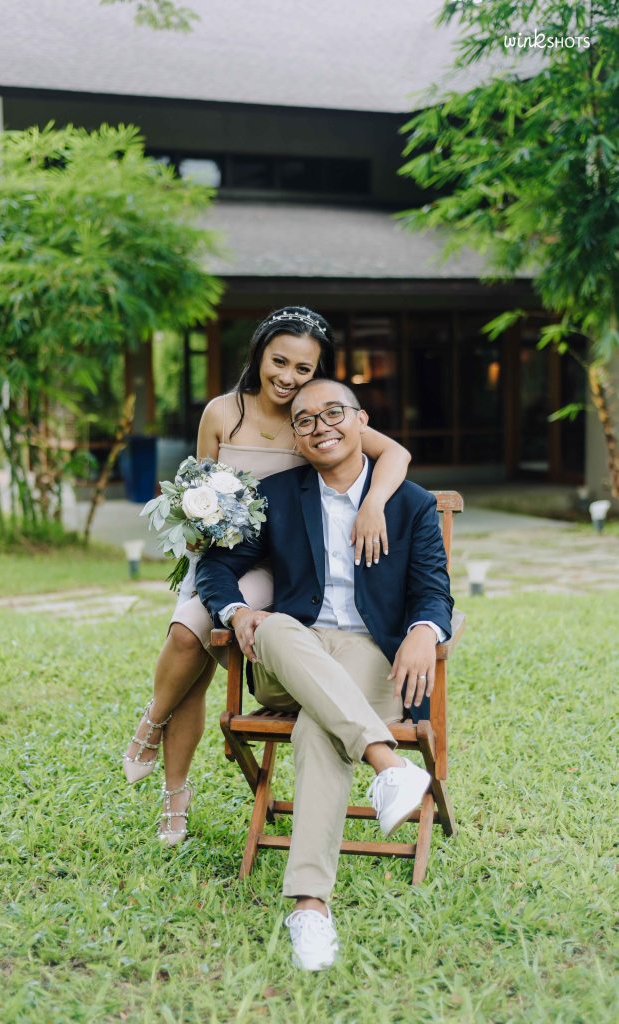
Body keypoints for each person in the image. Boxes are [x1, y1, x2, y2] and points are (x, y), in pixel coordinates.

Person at [122, 307, 412, 846]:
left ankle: (153, 734)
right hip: (221, 559)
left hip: (279, 569)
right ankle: (169, 776)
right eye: (279, 362)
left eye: (304, 369)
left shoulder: (313, 420)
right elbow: (198, 486)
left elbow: (395, 453)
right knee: (187, 646)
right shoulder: (221, 412)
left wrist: (373, 503)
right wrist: (195, 524)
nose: (288, 377)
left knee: (191, 635)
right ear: (259, 355)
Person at [196, 378, 453, 971]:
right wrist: (237, 612)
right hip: (293, 651)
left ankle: (310, 908)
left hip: (369, 653)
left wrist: (423, 631)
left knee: (319, 726)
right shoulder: (276, 496)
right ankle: (389, 766)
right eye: (306, 420)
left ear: (361, 420)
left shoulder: (409, 503)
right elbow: (215, 567)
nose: (321, 427)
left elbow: (434, 592)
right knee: (272, 626)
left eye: (334, 412)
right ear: (296, 438)